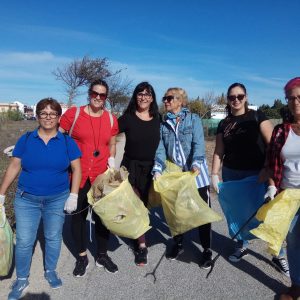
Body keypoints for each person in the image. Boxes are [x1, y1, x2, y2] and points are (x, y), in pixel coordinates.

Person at [0, 98, 81, 300]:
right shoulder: (26, 139)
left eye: (52, 114)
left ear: (58, 117)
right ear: (37, 116)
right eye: (43, 113)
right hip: (26, 199)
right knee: (25, 240)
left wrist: (73, 194)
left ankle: (50, 271)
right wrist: (1, 194)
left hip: (57, 199)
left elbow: (76, 168)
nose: (48, 117)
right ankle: (22, 278)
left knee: (53, 237)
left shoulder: (66, 141)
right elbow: (14, 166)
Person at [211, 83, 289, 276]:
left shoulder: (257, 116)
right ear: (227, 100)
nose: (235, 100)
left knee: (268, 215)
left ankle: (278, 254)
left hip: (258, 174)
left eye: (240, 96)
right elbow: (219, 151)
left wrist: (267, 170)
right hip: (232, 174)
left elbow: (273, 146)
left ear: (246, 97)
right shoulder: (224, 123)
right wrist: (214, 173)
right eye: (231, 97)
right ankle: (241, 244)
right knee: (237, 214)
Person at [59, 79, 119, 277]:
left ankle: (102, 254)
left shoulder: (111, 119)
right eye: (95, 93)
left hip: (101, 176)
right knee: (78, 218)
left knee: (103, 217)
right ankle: (82, 256)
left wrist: (111, 158)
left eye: (102, 95)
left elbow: (112, 143)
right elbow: (56, 136)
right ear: (89, 93)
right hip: (78, 175)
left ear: (106, 98)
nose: (98, 98)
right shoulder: (73, 114)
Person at [152, 87, 213, 269]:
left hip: (196, 174)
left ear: (181, 101)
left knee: (201, 213)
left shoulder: (193, 119)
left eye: (170, 98)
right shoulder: (164, 125)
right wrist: (157, 168)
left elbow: (198, 144)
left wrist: (196, 163)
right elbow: (161, 150)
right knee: (176, 212)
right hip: (176, 175)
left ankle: (207, 250)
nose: (166, 101)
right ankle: (178, 243)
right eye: (165, 98)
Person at [118, 82, 160, 266]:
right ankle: (142, 246)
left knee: (146, 204)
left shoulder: (159, 118)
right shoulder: (127, 118)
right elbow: (108, 136)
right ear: (135, 96)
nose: (143, 97)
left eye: (147, 94)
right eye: (140, 94)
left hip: (152, 168)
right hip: (130, 167)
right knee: (136, 206)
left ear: (152, 98)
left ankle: (137, 233)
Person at [265, 77, 300, 300]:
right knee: (294, 241)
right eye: (291, 98)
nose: (295, 102)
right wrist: (271, 187)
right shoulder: (280, 131)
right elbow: (271, 162)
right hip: (288, 195)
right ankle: (297, 286)